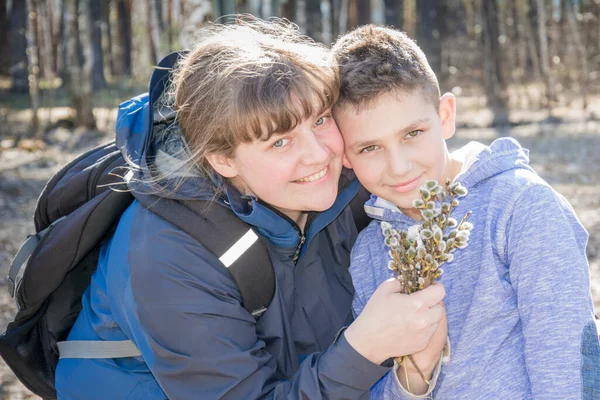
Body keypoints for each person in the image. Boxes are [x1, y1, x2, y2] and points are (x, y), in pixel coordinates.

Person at [54, 18, 448, 399]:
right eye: (280, 142)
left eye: (321, 119)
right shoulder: (165, 254)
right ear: (222, 160)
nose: (318, 155)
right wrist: (364, 348)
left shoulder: (348, 176)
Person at [332, 24, 600, 399]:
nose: (399, 166)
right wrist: (414, 376)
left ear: (445, 115)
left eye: (412, 133)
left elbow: (569, 370)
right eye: (370, 148)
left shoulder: (520, 208)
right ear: (345, 155)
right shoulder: (368, 252)